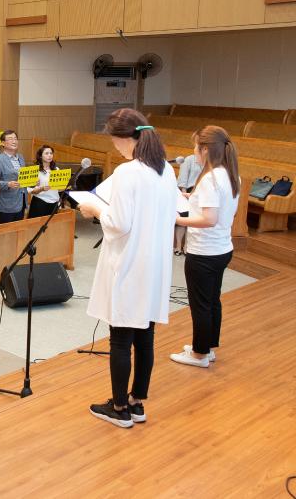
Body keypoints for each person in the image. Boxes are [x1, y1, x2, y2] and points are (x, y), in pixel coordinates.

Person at [78, 109, 177, 428]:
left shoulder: (128, 172)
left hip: (130, 263)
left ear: (125, 138)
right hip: (154, 264)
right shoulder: (165, 171)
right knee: (144, 335)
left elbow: (119, 223)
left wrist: (93, 208)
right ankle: (136, 403)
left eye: (113, 139)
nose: (114, 146)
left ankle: (119, 408)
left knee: (120, 339)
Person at [170, 126, 240, 368]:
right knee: (212, 301)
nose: (193, 152)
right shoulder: (229, 174)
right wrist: (193, 199)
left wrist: (176, 219)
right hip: (222, 249)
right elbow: (216, 210)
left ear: (206, 149)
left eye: (195, 147)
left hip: (204, 252)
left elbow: (209, 219)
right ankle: (207, 348)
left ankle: (199, 355)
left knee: (200, 304)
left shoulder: (210, 178)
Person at [0, 130, 26, 224]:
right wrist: (8, 184)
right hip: (6, 205)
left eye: (15, 139)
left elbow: (23, 177)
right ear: (3, 143)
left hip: (21, 202)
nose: (14, 141)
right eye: (10, 139)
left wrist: (33, 181)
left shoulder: (21, 157)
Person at [174, 153, 203, 255]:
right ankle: (178, 246)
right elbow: (183, 178)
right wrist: (184, 194)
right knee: (183, 219)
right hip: (187, 191)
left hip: (200, 192)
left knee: (193, 219)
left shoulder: (208, 161)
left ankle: (187, 246)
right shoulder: (189, 159)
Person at [27, 145, 61, 218]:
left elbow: (58, 189)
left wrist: (65, 186)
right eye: (46, 153)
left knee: (52, 227)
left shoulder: (56, 169)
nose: (49, 155)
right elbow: (30, 190)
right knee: (36, 227)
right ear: (40, 156)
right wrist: (41, 189)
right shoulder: (34, 170)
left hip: (54, 202)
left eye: (51, 153)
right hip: (40, 203)